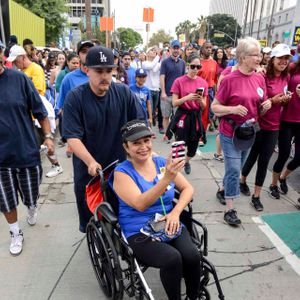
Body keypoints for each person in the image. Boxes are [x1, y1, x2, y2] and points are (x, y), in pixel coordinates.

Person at [111, 120, 200, 300]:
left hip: (167, 220)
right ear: (126, 147)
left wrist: (175, 213)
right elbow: (140, 203)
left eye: (147, 141)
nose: (143, 147)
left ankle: (193, 296)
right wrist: (167, 178)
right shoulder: (122, 173)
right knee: (172, 259)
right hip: (139, 229)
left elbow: (188, 189)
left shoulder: (161, 162)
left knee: (192, 256)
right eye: (136, 143)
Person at [62, 46, 146, 233]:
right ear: (86, 70)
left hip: (122, 169)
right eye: (99, 71)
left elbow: (138, 124)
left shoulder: (124, 93)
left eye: (109, 70)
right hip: (90, 173)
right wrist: (90, 162)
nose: (105, 76)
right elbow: (72, 136)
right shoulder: (75, 98)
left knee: (123, 215)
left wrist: (144, 151)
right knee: (92, 221)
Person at [211, 37, 272, 225]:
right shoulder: (229, 79)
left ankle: (223, 190)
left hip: (249, 131)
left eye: (260, 54)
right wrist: (232, 109)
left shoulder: (259, 77)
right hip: (230, 131)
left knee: (235, 171)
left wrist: (266, 106)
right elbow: (215, 107)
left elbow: (259, 105)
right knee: (234, 169)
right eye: (255, 54)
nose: (259, 58)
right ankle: (230, 210)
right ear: (243, 57)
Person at [0, 50, 54, 255]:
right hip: (1, 158)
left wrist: (48, 137)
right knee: (5, 199)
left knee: (30, 195)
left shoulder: (20, 79)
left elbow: (40, 111)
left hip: (25, 151)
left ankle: (32, 206)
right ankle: (15, 232)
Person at [240, 44, 292, 210]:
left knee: (264, 161)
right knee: (252, 156)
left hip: (275, 126)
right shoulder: (262, 76)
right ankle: (242, 180)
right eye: (280, 58)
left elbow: (283, 96)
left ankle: (256, 196)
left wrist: (286, 98)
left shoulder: (287, 77)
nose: (283, 61)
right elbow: (259, 100)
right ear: (273, 60)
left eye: (286, 58)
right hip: (259, 124)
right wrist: (273, 100)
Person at [7, 45, 63, 178]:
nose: (15, 64)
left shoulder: (35, 69)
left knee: (44, 139)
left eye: (16, 60)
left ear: (23, 57)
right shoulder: (22, 72)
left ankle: (56, 165)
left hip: (37, 110)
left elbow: (36, 91)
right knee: (37, 142)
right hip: (27, 112)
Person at [169, 54, 208, 174]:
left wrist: (200, 100)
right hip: (182, 115)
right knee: (179, 145)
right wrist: (187, 98)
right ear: (187, 66)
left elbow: (204, 106)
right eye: (193, 66)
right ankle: (175, 168)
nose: (195, 69)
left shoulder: (203, 83)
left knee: (193, 147)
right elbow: (174, 103)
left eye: (198, 66)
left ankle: (186, 161)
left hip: (195, 117)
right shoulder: (179, 81)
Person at [269, 48, 300, 199]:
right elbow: (275, 79)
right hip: (287, 118)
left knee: (299, 157)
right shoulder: (293, 68)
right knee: (284, 154)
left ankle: (283, 177)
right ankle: (273, 184)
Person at [160, 40, 186, 138]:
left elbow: (184, 79)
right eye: (174, 48)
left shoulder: (182, 63)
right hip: (166, 94)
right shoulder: (165, 62)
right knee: (166, 116)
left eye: (177, 48)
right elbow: (162, 77)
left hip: (178, 96)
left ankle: (177, 135)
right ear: (170, 49)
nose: (176, 50)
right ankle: (167, 134)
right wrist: (163, 92)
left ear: (180, 50)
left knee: (177, 117)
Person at [198, 42, 218, 132]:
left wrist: (216, 93)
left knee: (209, 113)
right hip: (199, 91)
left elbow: (215, 79)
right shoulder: (198, 62)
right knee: (199, 113)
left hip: (210, 91)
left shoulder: (214, 63)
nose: (209, 49)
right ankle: (198, 132)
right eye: (207, 47)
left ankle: (203, 133)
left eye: (210, 47)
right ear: (202, 50)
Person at [142, 46, 163, 131]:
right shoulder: (144, 63)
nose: (154, 52)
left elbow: (155, 70)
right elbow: (151, 67)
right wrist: (158, 55)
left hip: (156, 89)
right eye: (152, 50)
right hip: (148, 89)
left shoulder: (158, 63)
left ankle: (153, 124)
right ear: (147, 53)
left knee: (154, 110)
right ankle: (149, 128)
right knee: (149, 111)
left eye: (155, 51)